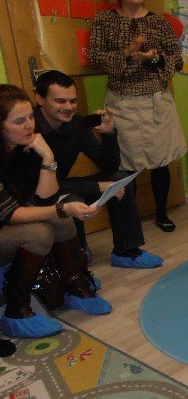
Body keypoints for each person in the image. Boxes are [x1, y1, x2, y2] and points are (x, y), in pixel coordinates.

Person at [0, 84, 111, 339]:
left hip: (9, 221)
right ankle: (16, 310)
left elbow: (44, 199)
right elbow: (10, 215)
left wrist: (48, 157)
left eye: (30, 117)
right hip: (5, 222)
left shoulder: (25, 145)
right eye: (19, 121)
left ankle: (76, 286)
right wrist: (61, 208)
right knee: (40, 232)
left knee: (61, 220)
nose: (29, 125)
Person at [88, 0, 185, 233]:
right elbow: (95, 58)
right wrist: (127, 52)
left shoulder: (159, 22)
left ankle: (161, 212)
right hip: (122, 102)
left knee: (160, 161)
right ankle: (128, 221)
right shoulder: (104, 21)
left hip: (156, 101)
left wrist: (154, 58)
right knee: (125, 164)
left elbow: (176, 60)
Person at [33, 70, 163, 269]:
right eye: (60, 101)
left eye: (73, 101)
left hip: (60, 185)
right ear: (39, 98)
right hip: (36, 194)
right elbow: (37, 186)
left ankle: (126, 252)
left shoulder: (76, 124)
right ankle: (78, 263)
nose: (68, 107)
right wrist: (98, 186)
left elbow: (109, 166)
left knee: (120, 179)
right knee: (72, 199)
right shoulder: (28, 130)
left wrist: (108, 134)